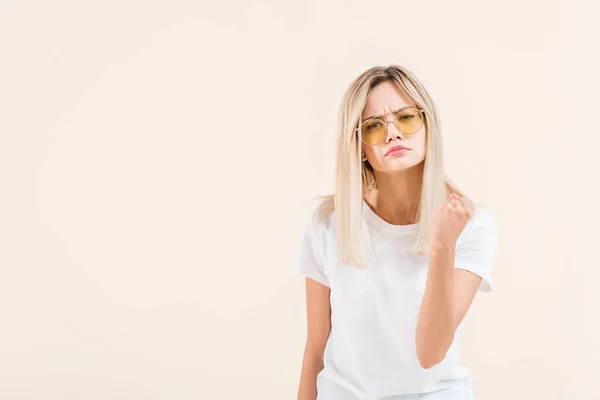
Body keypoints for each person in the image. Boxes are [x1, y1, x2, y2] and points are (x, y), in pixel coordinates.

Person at [296, 65, 500, 400]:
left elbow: (431, 353)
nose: (392, 133)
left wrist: (441, 246)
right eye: (374, 126)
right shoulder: (326, 223)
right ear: (359, 146)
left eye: (406, 118)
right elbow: (315, 353)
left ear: (427, 126)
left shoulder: (473, 226)